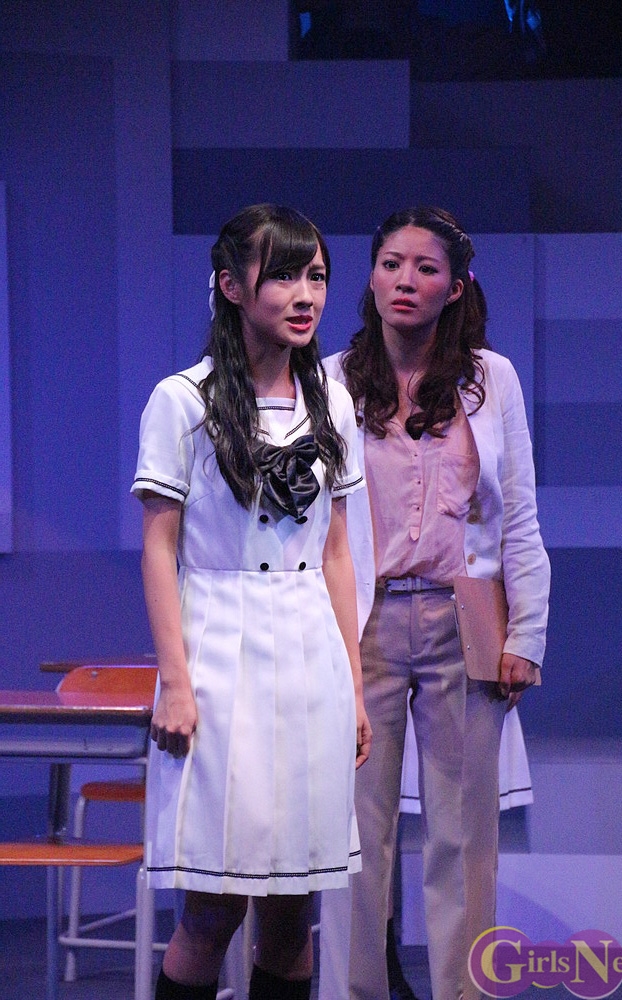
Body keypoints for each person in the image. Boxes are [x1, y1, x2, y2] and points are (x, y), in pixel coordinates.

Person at [131, 203, 372, 1000]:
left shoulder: (332, 401)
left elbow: (336, 554)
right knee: (212, 909)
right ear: (232, 286)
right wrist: (175, 682)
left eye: (317, 277)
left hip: (310, 658)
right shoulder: (182, 400)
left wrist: (354, 686)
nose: (305, 295)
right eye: (283, 276)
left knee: (294, 910)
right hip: (217, 656)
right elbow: (159, 548)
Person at [321, 206, 550, 1000]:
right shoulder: (331, 379)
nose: (404, 280)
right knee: (355, 837)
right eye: (390, 263)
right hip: (362, 625)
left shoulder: (490, 379)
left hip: (465, 619)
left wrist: (527, 633)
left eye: (424, 267)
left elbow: (518, 513)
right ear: (370, 275)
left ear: (454, 286)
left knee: (463, 836)